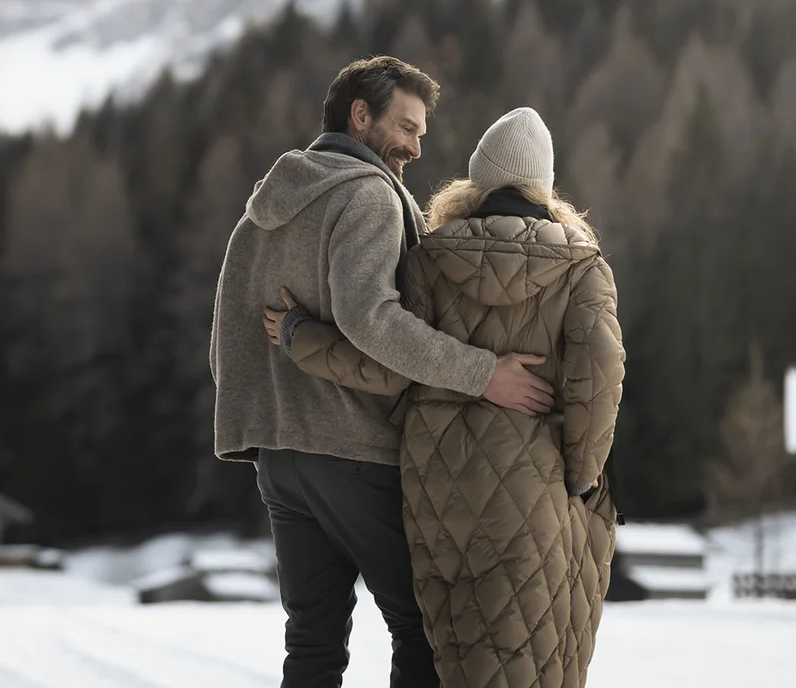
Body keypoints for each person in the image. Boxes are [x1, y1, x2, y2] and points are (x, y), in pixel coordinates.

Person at [212, 57, 553, 688]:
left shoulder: (269, 205)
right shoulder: (366, 195)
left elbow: (229, 325)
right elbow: (373, 319)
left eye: (422, 132)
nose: (417, 147)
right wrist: (483, 373)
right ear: (359, 116)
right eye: (406, 127)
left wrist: (257, 416)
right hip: (352, 449)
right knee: (423, 626)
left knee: (312, 645)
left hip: (280, 456)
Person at [265, 106, 624, 688]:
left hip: (436, 491)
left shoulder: (430, 257)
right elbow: (599, 382)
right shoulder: (581, 267)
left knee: (449, 652)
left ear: (476, 180)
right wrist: (582, 476)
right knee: (527, 659)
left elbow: (389, 364)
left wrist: (301, 338)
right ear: (545, 184)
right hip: (537, 486)